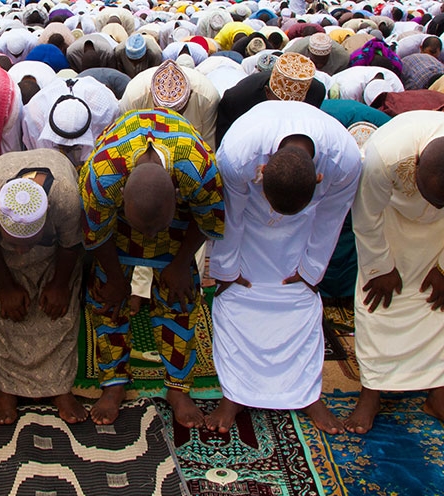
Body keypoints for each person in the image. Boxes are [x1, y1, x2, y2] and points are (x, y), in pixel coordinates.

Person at [207, 101, 361, 434]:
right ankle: (234, 393)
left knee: (299, 300)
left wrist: (310, 271)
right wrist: (227, 270)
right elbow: (230, 215)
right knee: (235, 300)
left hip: (303, 227)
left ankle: (306, 394)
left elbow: (332, 218)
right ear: (261, 174)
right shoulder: (238, 153)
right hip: (247, 224)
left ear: (320, 179)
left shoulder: (345, 160)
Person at [79, 108, 224, 426]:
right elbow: (95, 232)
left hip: (178, 230)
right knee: (106, 299)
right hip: (116, 231)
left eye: (153, 229)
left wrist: (181, 262)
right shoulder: (102, 177)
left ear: (176, 196)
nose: (148, 238)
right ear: (121, 200)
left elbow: (207, 217)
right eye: (143, 229)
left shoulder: (199, 169)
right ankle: (114, 384)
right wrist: (117, 280)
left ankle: (177, 389)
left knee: (181, 299)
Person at [0, 149, 87, 425]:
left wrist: (59, 285)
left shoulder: (65, 199)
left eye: (26, 242)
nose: (21, 252)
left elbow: (71, 244)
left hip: (55, 250)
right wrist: (6, 287)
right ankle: (7, 387)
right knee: (2, 308)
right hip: (0, 256)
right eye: (16, 242)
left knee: (58, 309)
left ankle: (59, 387)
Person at [346, 111, 444, 433]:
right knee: (378, 301)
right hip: (390, 221)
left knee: (436, 303)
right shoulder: (384, 154)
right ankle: (371, 392)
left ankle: (438, 390)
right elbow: (366, 213)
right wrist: (381, 267)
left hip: (440, 234)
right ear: (414, 164)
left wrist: (443, 268)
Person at [216, 52, 325, 147]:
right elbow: (225, 141)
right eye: (282, 105)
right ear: (267, 92)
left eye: (293, 105)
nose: (288, 111)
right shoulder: (238, 99)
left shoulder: (316, 92)